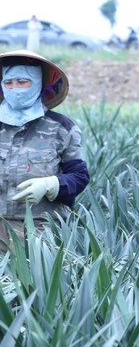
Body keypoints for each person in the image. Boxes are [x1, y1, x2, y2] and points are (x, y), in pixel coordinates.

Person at [0, 50, 90, 252]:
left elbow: (79, 176)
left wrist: (50, 184)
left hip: (41, 230)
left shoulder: (61, 128)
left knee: (36, 281)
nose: (15, 88)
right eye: (8, 83)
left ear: (38, 83)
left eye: (22, 82)